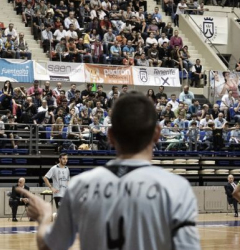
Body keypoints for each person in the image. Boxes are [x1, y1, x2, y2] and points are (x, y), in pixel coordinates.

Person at [18, 92, 200, 250]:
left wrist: (44, 217)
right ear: (157, 134)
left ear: (110, 136)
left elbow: (49, 246)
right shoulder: (177, 188)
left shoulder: (81, 186)